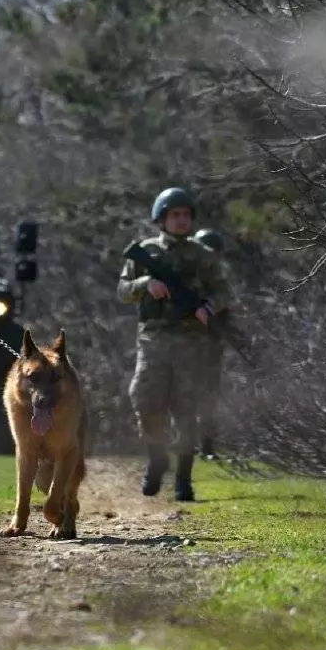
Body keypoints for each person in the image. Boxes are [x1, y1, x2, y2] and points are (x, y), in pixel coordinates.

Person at [117, 187, 229, 502]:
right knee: (145, 400)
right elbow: (123, 290)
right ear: (162, 218)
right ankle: (157, 457)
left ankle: (183, 478)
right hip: (153, 339)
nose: (181, 221)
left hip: (192, 342)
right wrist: (145, 285)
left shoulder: (203, 255)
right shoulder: (145, 251)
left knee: (186, 410)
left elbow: (223, 291)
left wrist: (208, 308)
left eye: (185, 215)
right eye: (174, 215)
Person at [191, 227, 229, 460]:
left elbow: (227, 307)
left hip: (211, 347)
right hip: (184, 345)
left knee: (208, 398)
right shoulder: (188, 278)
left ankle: (206, 446)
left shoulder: (219, 282)